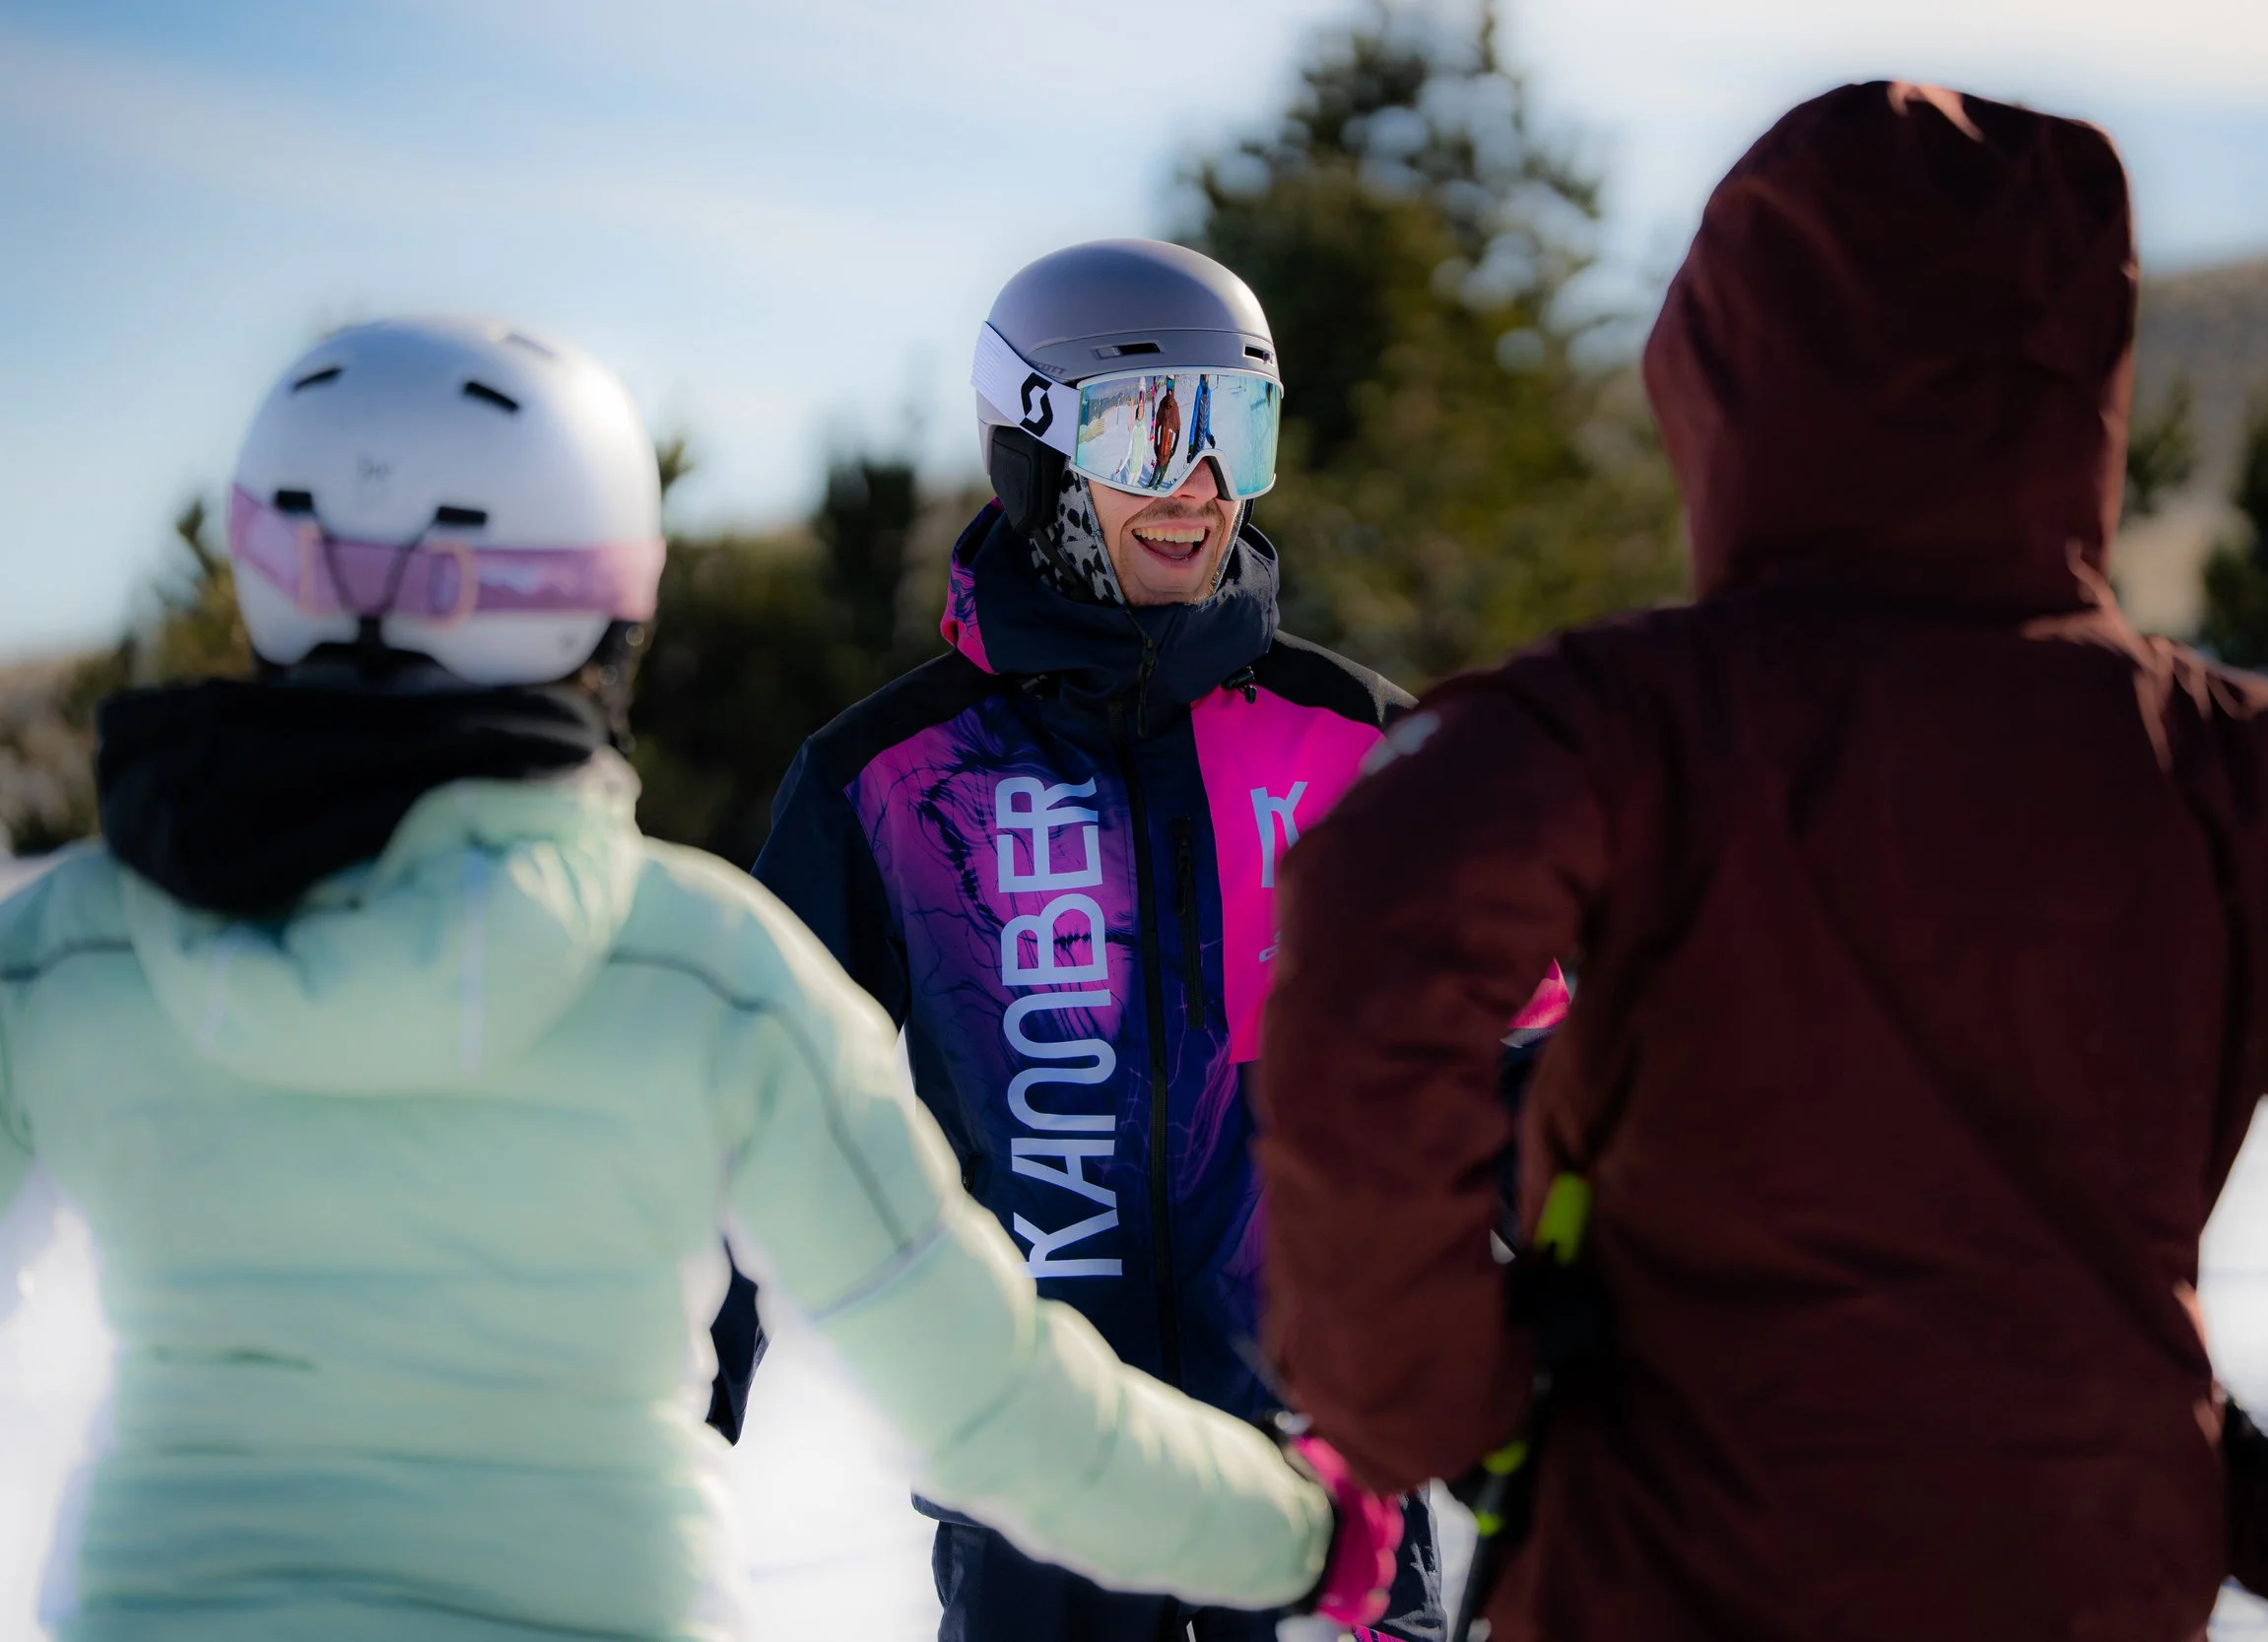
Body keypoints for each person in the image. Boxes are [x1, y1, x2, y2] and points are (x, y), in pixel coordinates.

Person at [1252, 82, 2268, 1642]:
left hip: (1669, 1581)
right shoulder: (2251, 779)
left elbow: (1378, 924)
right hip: (2084, 1584)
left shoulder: (1631, 721)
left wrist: (1429, 1391)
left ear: (1725, 374)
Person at [0, 315, 1402, 1642]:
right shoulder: (700, 967)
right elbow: (992, 1405)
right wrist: (1301, 1532)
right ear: (611, 596)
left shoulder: (66, 951)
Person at [752, 240, 1538, 1642]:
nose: (1202, 482)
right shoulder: (892, 777)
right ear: (1036, 451)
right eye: (1150, 429)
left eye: (1240, 426)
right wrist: (663, 1416)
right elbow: (746, 1112)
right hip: (1034, 1484)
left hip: (1327, 1491)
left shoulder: (1361, 748)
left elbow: (1531, 1073)